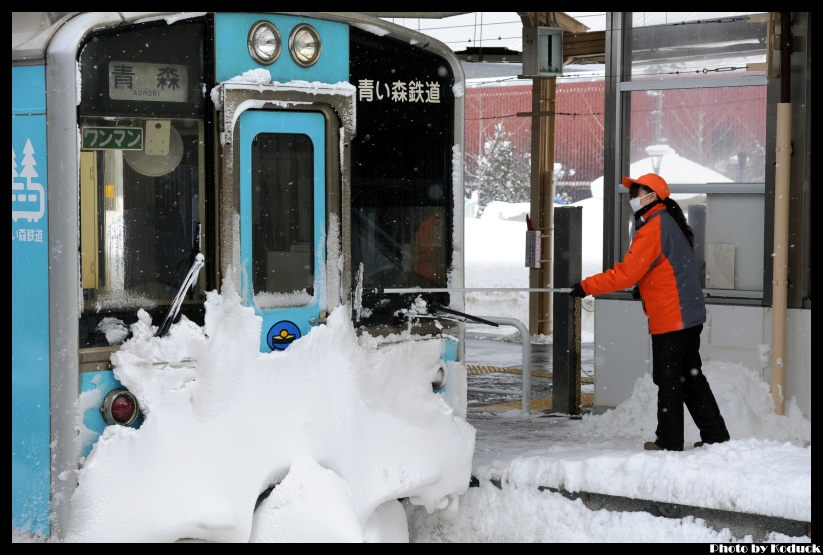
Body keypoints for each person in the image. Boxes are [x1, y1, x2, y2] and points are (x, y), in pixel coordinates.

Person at [569, 173, 730, 452]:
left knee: (669, 380)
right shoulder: (668, 222)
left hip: (673, 317)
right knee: (690, 376)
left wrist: (586, 286)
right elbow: (669, 267)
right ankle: (715, 436)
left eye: (637, 192)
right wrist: (645, 288)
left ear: (652, 196)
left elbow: (626, 273)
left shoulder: (654, 226)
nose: (633, 198)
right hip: (688, 314)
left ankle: (669, 443)